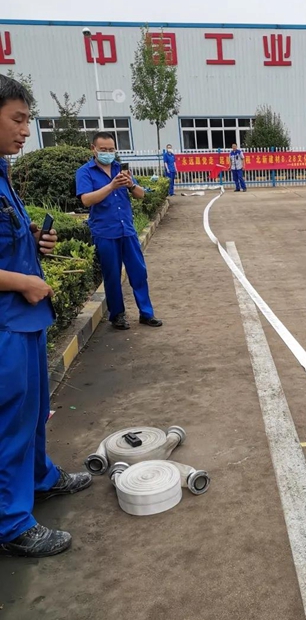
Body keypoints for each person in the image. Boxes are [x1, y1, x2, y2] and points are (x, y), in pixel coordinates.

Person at [0, 74, 92, 558]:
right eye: (17, 120)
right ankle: (11, 523)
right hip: (6, 325)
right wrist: (23, 282)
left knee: (34, 414)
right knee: (9, 421)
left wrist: (35, 246)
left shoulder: (2, 173)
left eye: (27, 120)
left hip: (26, 320)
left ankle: (39, 479)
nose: (25, 132)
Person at [76, 132, 163, 331]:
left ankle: (146, 313)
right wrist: (111, 186)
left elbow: (141, 195)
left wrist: (130, 184)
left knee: (138, 272)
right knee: (112, 275)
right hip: (105, 232)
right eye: (103, 150)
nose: (108, 153)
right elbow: (86, 200)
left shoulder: (120, 169)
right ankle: (118, 315)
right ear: (93, 149)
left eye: (111, 149)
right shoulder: (85, 172)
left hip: (127, 231)